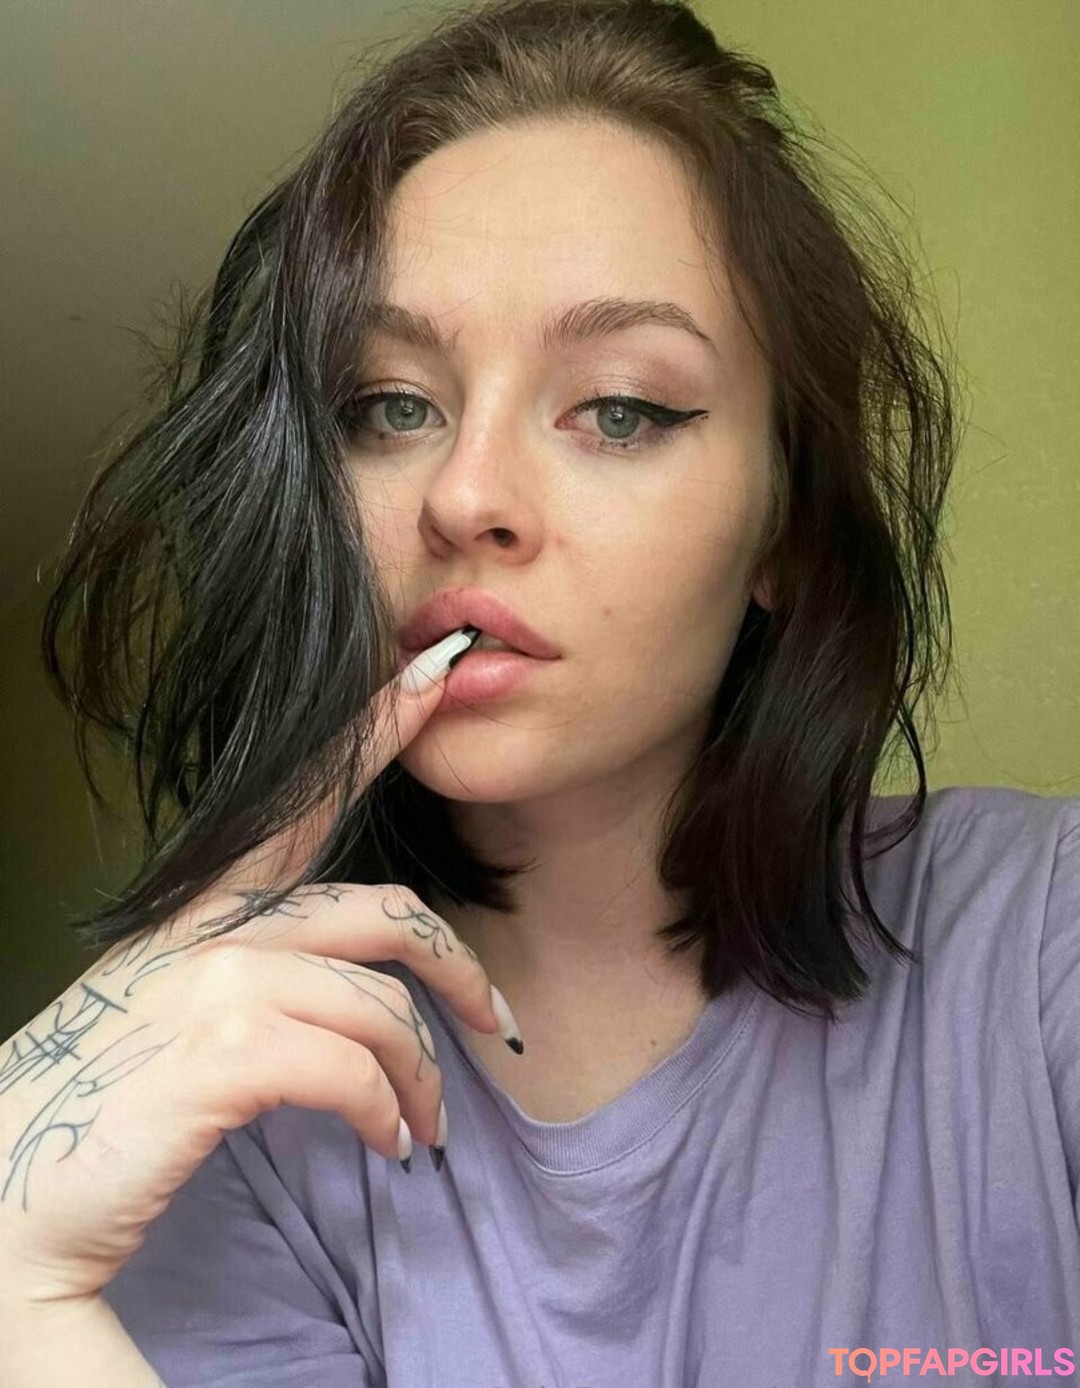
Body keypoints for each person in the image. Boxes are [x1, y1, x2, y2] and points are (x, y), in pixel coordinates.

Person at [0, 0, 1077, 1382]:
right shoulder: (254, 1121)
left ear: (789, 531)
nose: (463, 496)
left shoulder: (1041, 947)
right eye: (391, 406)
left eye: (619, 408)